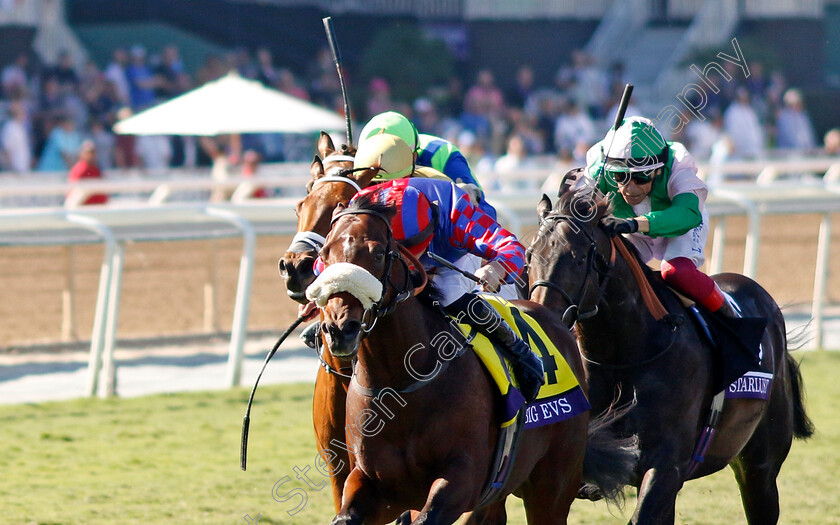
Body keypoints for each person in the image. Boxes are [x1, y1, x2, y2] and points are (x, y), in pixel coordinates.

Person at [314, 170, 544, 402]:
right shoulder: (360, 214)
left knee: (449, 294)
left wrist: (496, 269)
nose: (406, 259)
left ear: (431, 226)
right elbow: (326, 260)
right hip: (381, 258)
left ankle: (521, 353)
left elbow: (512, 248)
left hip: (448, 259)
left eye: (411, 246)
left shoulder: (455, 213)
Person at [583, 116, 739, 318]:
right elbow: (575, 206)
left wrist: (634, 224)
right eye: (621, 177)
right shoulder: (600, 167)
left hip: (680, 227)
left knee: (676, 273)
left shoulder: (678, 163)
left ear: (657, 170)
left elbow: (687, 214)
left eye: (640, 178)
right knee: (605, 270)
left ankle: (729, 315)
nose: (629, 188)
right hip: (634, 231)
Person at [358, 110, 494, 217]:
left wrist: (463, 202)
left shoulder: (442, 154)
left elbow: (487, 216)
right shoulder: (356, 162)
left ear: (414, 156)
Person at [66, 140, 107, 206]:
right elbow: (73, 192)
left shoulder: (96, 169)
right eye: (88, 152)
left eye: (92, 152)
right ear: (82, 153)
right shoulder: (79, 169)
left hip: (98, 208)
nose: (90, 155)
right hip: (83, 209)